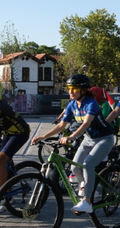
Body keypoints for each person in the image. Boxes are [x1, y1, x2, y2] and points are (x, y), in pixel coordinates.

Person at [32, 75, 114, 213]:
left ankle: (87, 202)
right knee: (75, 167)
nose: (70, 92)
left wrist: (71, 137)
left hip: (104, 139)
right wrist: (43, 136)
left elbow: (86, 123)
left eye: (74, 89)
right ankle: (88, 187)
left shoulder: (91, 103)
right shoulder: (72, 104)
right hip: (89, 140)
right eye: (69, 89)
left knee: (88, 164)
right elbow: (62, 125)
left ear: (83, 90)